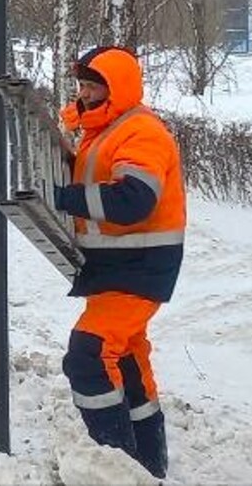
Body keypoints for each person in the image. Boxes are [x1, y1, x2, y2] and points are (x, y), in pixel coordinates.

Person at [53, 45, 186, 479]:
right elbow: (85, 128)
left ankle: (114, 464)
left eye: (94, 86)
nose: (85, 94)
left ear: (120, 89)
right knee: (127, 358)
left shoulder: (141, 133)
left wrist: (64, 197)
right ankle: (148, 465)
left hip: (140, 267)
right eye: (83, 85)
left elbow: (133, 200)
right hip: (122, 266)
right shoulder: (107, 127)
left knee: (89, 354)